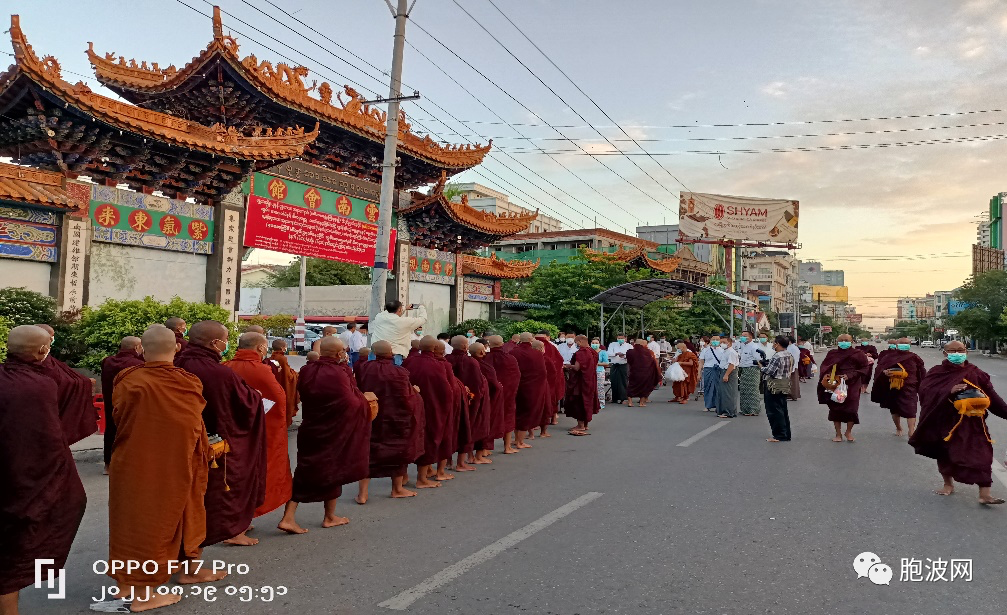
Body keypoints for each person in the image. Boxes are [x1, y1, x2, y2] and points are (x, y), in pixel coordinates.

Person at [107, 326, 225, 611]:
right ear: (177, 348)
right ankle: (145, 595)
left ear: (141, 351)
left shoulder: (127, 379)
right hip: (173, 463)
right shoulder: (187, 382)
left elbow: (120, 417)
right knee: (156, 523)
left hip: (131, 462)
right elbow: (191, 425)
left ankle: (125, 586)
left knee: (129, 523)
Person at [0, 326, 87, 615]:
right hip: (23, 478)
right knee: (13, 551)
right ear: (41, 351)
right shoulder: (39, 385)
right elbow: (47, 441)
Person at [174, 321, 265, 547]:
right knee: (224, 488)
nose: (226, 344)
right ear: (216, 343)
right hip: (216, 441)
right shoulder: (219, 372)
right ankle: (229, 532)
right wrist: (255, 396)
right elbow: (243, 404)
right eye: (225, 339)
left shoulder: (176, 364)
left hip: (182, 440)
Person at [279, 337, 372, 533]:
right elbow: (350, 402)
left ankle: (328, 516)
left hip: (312, 427)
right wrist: (365, 401)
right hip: (334, 429)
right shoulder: (338, 372)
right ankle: (291, 518)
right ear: (339, 354)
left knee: (308, 470)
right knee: (325, 470)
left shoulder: (307, 369)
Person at [910, 341, 1007, 504]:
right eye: (952, 351)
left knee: (982, 454)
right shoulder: (936, 372)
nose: (956, 353)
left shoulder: (976, 373)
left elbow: (991, 396)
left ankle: (985, 494)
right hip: (946, 421)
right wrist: (949, 390)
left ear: (966, 352)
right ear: (945, 353)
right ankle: (948, 484)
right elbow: (925, 392)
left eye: (960, 350)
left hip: (973, 422)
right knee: (945, 453)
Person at [225, 332, 291, 522]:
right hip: (261, 427)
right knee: (257, 473)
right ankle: (241, 521)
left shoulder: (226, 366)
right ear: (261, 348)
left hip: (233, 427)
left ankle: (239, 519)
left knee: (235, 474)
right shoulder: (261, 369)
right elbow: (279, 399)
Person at [355, 340, 425, 504]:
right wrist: (415, 391)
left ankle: (362, 494)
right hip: (396, 417)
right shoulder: (399, 372)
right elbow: (407, 397)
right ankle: (397, 489)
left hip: (372, 416)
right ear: (391, 354)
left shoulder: (363, 368)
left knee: (369, 452)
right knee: (398, 450)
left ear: (374, 353)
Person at [33, 323, 97, 445]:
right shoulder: (43, 361)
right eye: (52, 337)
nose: (53, 339)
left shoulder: (49, 360)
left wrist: (85, 383)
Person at [407, 336, 452, 487]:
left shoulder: (410, 361)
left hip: (412, 406)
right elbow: (446, 389)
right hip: (433, 407)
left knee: (414, 438)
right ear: (435, 349)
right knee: (431, 438)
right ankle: (422, 479)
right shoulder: (438, 365)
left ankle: (409, 475)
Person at [100, 336, 144, 474]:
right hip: (129, 403)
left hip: (110, 400)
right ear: (137, 348)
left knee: (111, 430)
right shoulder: (138, 364)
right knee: (129, 432)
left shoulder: (107, 361)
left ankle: (108, 465)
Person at [817, 334, 871, 442]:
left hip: (852, 384)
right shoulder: (833, 353)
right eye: (841, 340)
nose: (844, 342)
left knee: (852, 409)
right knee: (835, 408)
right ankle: (838, 434)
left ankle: (848, 432)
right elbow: (825, 367)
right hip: (835, 384)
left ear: (851, 341)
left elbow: (865, 368)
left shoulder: (858, 354)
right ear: (837, 342)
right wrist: (828, 376)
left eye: (846, 340)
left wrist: (850, 375)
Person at [447, 336, 490, 466]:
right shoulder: (470, 362)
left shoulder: (446, 359)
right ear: (466, 347)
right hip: (470, 400)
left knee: (451, 428)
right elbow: (477, 384)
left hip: (451, 399)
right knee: (467, 428)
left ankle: (448, 462)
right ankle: (462, 463)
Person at [871, 337, 927, 437]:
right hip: (893, 385)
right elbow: (880, 369)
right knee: (895, 408)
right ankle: (898, 427)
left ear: (910, 345)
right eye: (902, 343)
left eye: (906, 343)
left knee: (911, 408)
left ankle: (911, 430)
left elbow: (921, 372)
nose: (904, 345)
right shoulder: (889, 357)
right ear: (897, 345)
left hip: (910, 386)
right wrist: (884, 372)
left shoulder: (914, 357)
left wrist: (923, 385)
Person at [510, 332, 548, 449]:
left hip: (516, 387)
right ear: (531, 341)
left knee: (517, 413)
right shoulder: (536, 354)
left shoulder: (512, 352)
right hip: (531, 388)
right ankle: (520, 442)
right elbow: (542, 373)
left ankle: (516, 439)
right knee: (526, 414)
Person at [484, 335, 521, 454]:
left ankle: (484, 449)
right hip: (507, 392)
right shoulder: (510, 358)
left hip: (490, 393)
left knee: (488, 417)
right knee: (508, 416)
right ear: (502, 344)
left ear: (489, 345)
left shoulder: (485, 358)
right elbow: (516, 376)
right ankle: (507, 446)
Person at [471, 342, 503, 460]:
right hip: (483, 399)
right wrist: (500, 387)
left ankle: (468, 456)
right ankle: (480, 454)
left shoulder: (464, 362)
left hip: (468, 397)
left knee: (469, 426)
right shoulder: (484, 366)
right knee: (481, 424)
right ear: (481, 352)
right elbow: (494, 384)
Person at [370, 300, 428, 365]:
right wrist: (421, 307)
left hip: (375, 354)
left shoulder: (379, 317)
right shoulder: (405, 322)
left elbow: (390, 312)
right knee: (393, 374)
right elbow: (423, 319)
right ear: (399, 309)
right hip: (394, 356)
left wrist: (405, 308)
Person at [761, 335, 795, 442]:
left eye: (774, 342)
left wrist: (761, 366)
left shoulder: (777, 356)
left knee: (774, 411)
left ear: (778, 344)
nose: (773, 344)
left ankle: (779, 435)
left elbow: (770, 371)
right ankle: (786, 434)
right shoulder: (789, 355)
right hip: (784, 384)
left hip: (773, 385)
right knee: (782, 409)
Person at [565, 335, 599, 436]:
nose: (576, 344)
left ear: (580, 341)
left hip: (581, 382)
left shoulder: (582, 352)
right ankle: (585, 424)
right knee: (588, 400)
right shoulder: (593, 352)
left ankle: (580, 425)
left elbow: (577, 368)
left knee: (579, 401)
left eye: (577, 342)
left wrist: (568, 366)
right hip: (590, 380)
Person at [535, 332, 566, 434]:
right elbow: (559, 361)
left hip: (536, 380)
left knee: (536, 401)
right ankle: (553, 418)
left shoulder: (532, 347)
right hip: (551, 379)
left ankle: (534, 425)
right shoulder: (551, 347)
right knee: (552, 398)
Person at [269, 339, 299, 426]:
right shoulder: (282, 358)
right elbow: (287, 375)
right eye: (285, 346)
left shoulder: (271, 358)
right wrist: (296, 375)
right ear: (283, 348)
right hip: (282, 384)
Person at [627, 338, 662, 407]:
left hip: (634, 372)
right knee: (644, 386)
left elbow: (629, 361)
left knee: (631, 386)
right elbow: (653, 362)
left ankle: (630, 403)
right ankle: (641, 403)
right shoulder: (648, 352)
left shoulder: (630, 352)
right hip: (646, 372)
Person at [738, 330, 765, 417]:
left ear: (750, 337)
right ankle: (745, 409)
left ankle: (753, 410)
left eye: (745, 335)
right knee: (744, 390)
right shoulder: (743, 346)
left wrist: (762, 370)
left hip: (752, 370)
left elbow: (759, 360)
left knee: (752, 391)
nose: (742, 337)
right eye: (742, 335)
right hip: (744, 369)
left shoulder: (754, 347)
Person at [698, 335, 726, 413]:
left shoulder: (723, 350)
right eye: (713, 339)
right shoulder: (705, 350)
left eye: (717, 339)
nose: (715, 341)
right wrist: (698, 373)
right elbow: (701, 362)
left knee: (718, 389)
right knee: (708, 388)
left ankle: (718, 406)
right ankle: (708, 405)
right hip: (708, 370)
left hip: (719, 370)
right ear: (710, 340)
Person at [716, 335, 741, 419]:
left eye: (724, 342)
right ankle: (723, 410)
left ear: (729, 343)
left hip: (729, 372)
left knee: (729, 393)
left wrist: (726, 375)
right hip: (723, 371)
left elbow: (731, 365)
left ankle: (729, 412)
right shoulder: (725, 351)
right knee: (723, 393)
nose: (722, 344)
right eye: (721, 342)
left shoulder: (731, 352)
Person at [607, 334, 632, 405]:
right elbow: (609, 353)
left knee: (623, 381)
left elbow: (630, 355)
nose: (620, 339)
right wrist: (615, 354)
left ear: (625, 339)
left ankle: (623, 398)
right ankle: (614, 398)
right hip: (614, 364)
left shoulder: (629, 346)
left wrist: (624, 355)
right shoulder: (613, 344)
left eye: (622, 338)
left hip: (623, 364)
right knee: (614, 381)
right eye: (619, 338)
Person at [592, 337, 609, 410]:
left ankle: (601, 403)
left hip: (599, 371)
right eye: (593, 343)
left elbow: (606, 363)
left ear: (599, 344)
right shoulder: (589, 351)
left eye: (596, 343)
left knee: (600, 387)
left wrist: (598, 364)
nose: (594, 344)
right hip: (590, 371)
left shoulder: (603, 352)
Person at [786, 335, 802, 401]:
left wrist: (792, 369)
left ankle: (794, 395)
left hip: (792, 367)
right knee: (790, 382)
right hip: (790, 366)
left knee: (793, 382)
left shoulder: (793, 348)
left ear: (789, 341)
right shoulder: (790, 347)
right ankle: (790, 395)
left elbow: (795, 359)